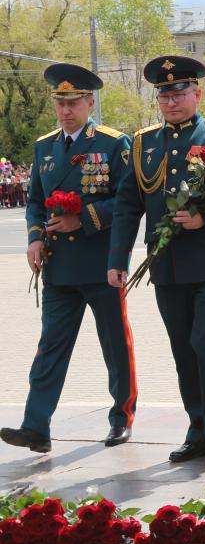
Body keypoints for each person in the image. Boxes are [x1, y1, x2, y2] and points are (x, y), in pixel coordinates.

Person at [107, 56, 205, 465]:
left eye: (179, 92)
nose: (171, 100)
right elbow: (127, 205)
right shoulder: (143, 143)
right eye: (164, 94)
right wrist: (117, 258)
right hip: (167, 264)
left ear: (197, 93)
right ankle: (197, 430)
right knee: (183, 348)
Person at [1, 65, 137, 454]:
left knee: (114, 343)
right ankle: (36, 425)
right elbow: (34, 204)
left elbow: (127, 202)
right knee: (51, 346)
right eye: (59, 103)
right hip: (59, 266)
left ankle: (121, 417)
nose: (65, 111)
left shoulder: (113, 144)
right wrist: (34, 238)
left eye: (73, 102)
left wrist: (85, 218)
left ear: (90, 103)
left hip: (101, 261)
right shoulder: (45, 146)